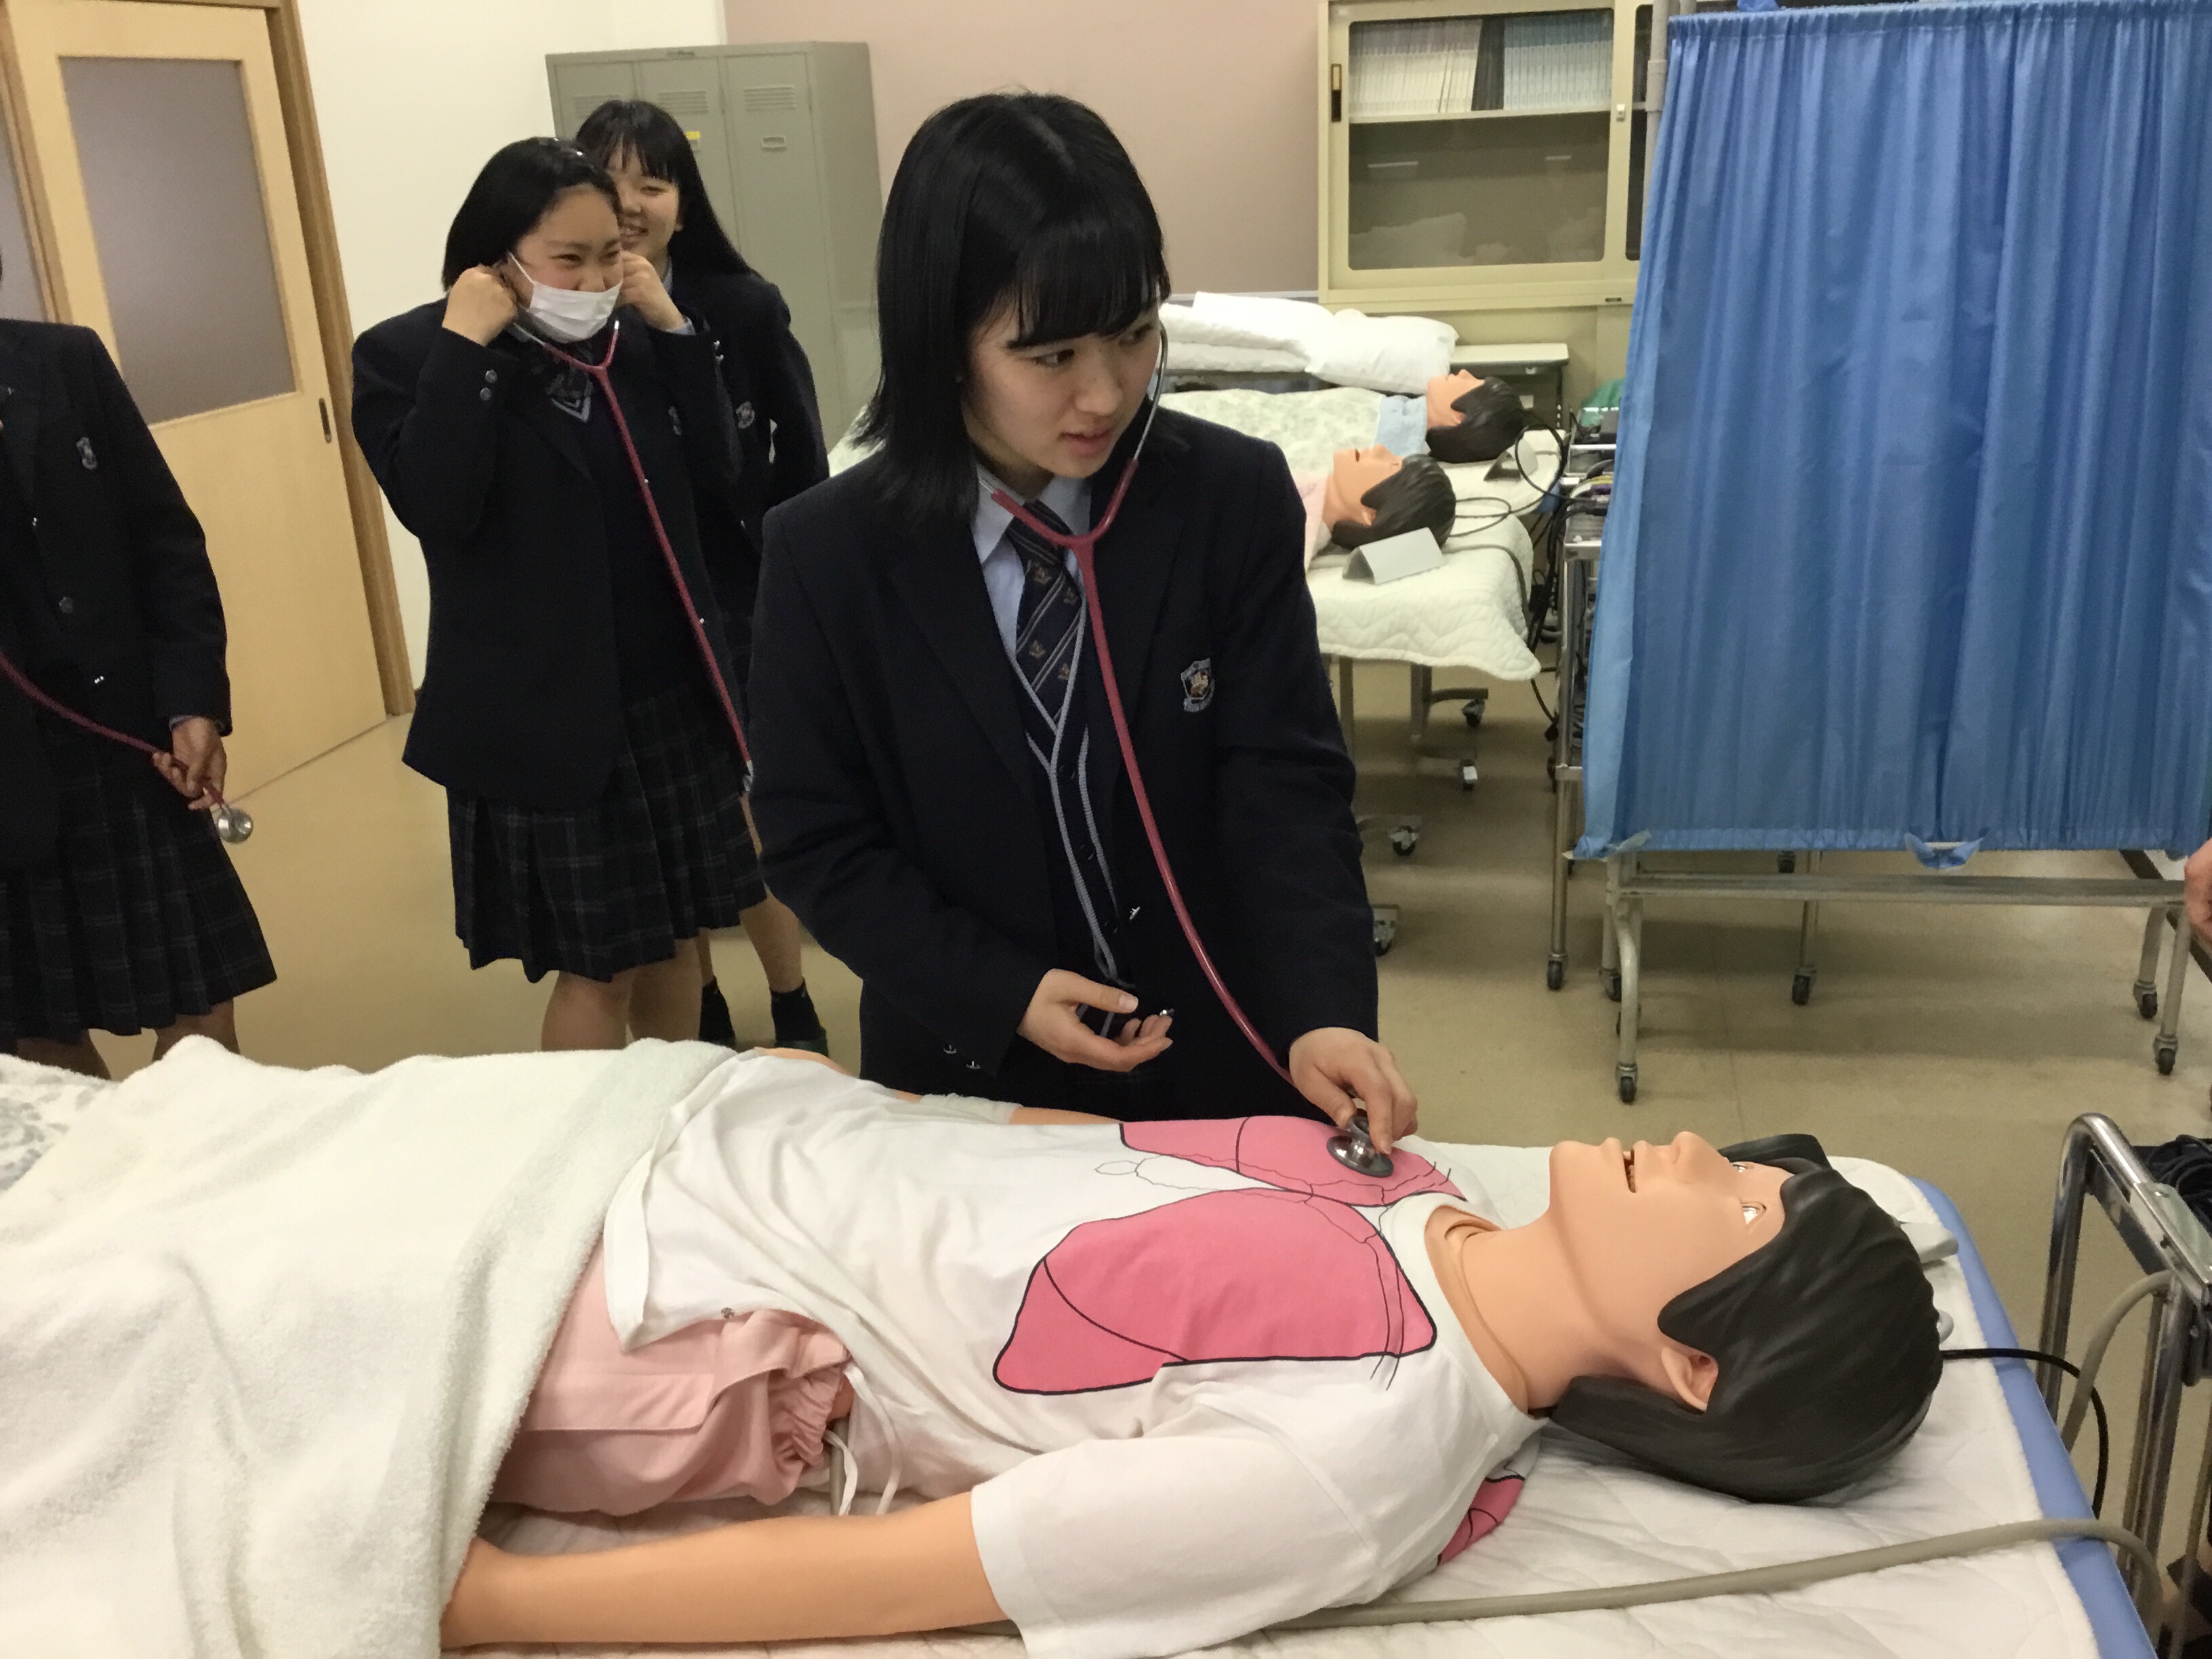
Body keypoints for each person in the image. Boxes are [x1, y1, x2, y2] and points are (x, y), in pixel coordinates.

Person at [438, 1054, 1941, 1653]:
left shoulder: (1355, 1468)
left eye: (1738, 1204)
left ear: (1693, 1369)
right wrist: (859, 1099)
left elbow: (903, 1576)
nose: (1690, 1146)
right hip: (699, 1121)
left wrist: (501, 1602)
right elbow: (1093, 1152)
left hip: (650, 1294)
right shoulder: (1431, 1187)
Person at [747, 93, 1413, 1139]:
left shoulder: (1229, 500)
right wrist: (998, 989)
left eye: (1135, 334)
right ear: (943, 341)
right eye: (1051, 356)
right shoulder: (828, 555)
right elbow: (816, 840)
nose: (1105, 394)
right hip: (971, 1077)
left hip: (1224, 1055)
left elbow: (1283, 783)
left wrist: (1320, 1008)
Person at [351, 139, 754, 1051]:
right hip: (550, 713)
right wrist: (466, 346)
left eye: (612, 253)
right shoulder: (408, 353)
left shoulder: (632, 337)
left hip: (665, 695)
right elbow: (436, 505)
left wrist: (677, 335)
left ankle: (667, 1114)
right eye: (568, 259)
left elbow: (721, 474)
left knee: (679, 943)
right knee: (599, 969)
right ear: (494, 257)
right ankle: (591, 1133)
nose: (597, 279)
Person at [575, 98, 831, 1056]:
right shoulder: (566, 316)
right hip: (634, 612)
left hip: (736, 593)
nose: (631, 204)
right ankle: (706, 1002)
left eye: (653, 182)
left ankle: (792, 992)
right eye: (609, 183)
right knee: (672, 831)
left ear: (685, 202)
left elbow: (796, 461)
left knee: (744, 813)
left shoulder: (742, 305)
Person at [0, 285, 272, 1076]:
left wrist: (193, 701)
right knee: (44, 1042)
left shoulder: (64, 360)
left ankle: (203, 1153)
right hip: (10, 774)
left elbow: (164, 539)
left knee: (204, 1008)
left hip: (124, 734)